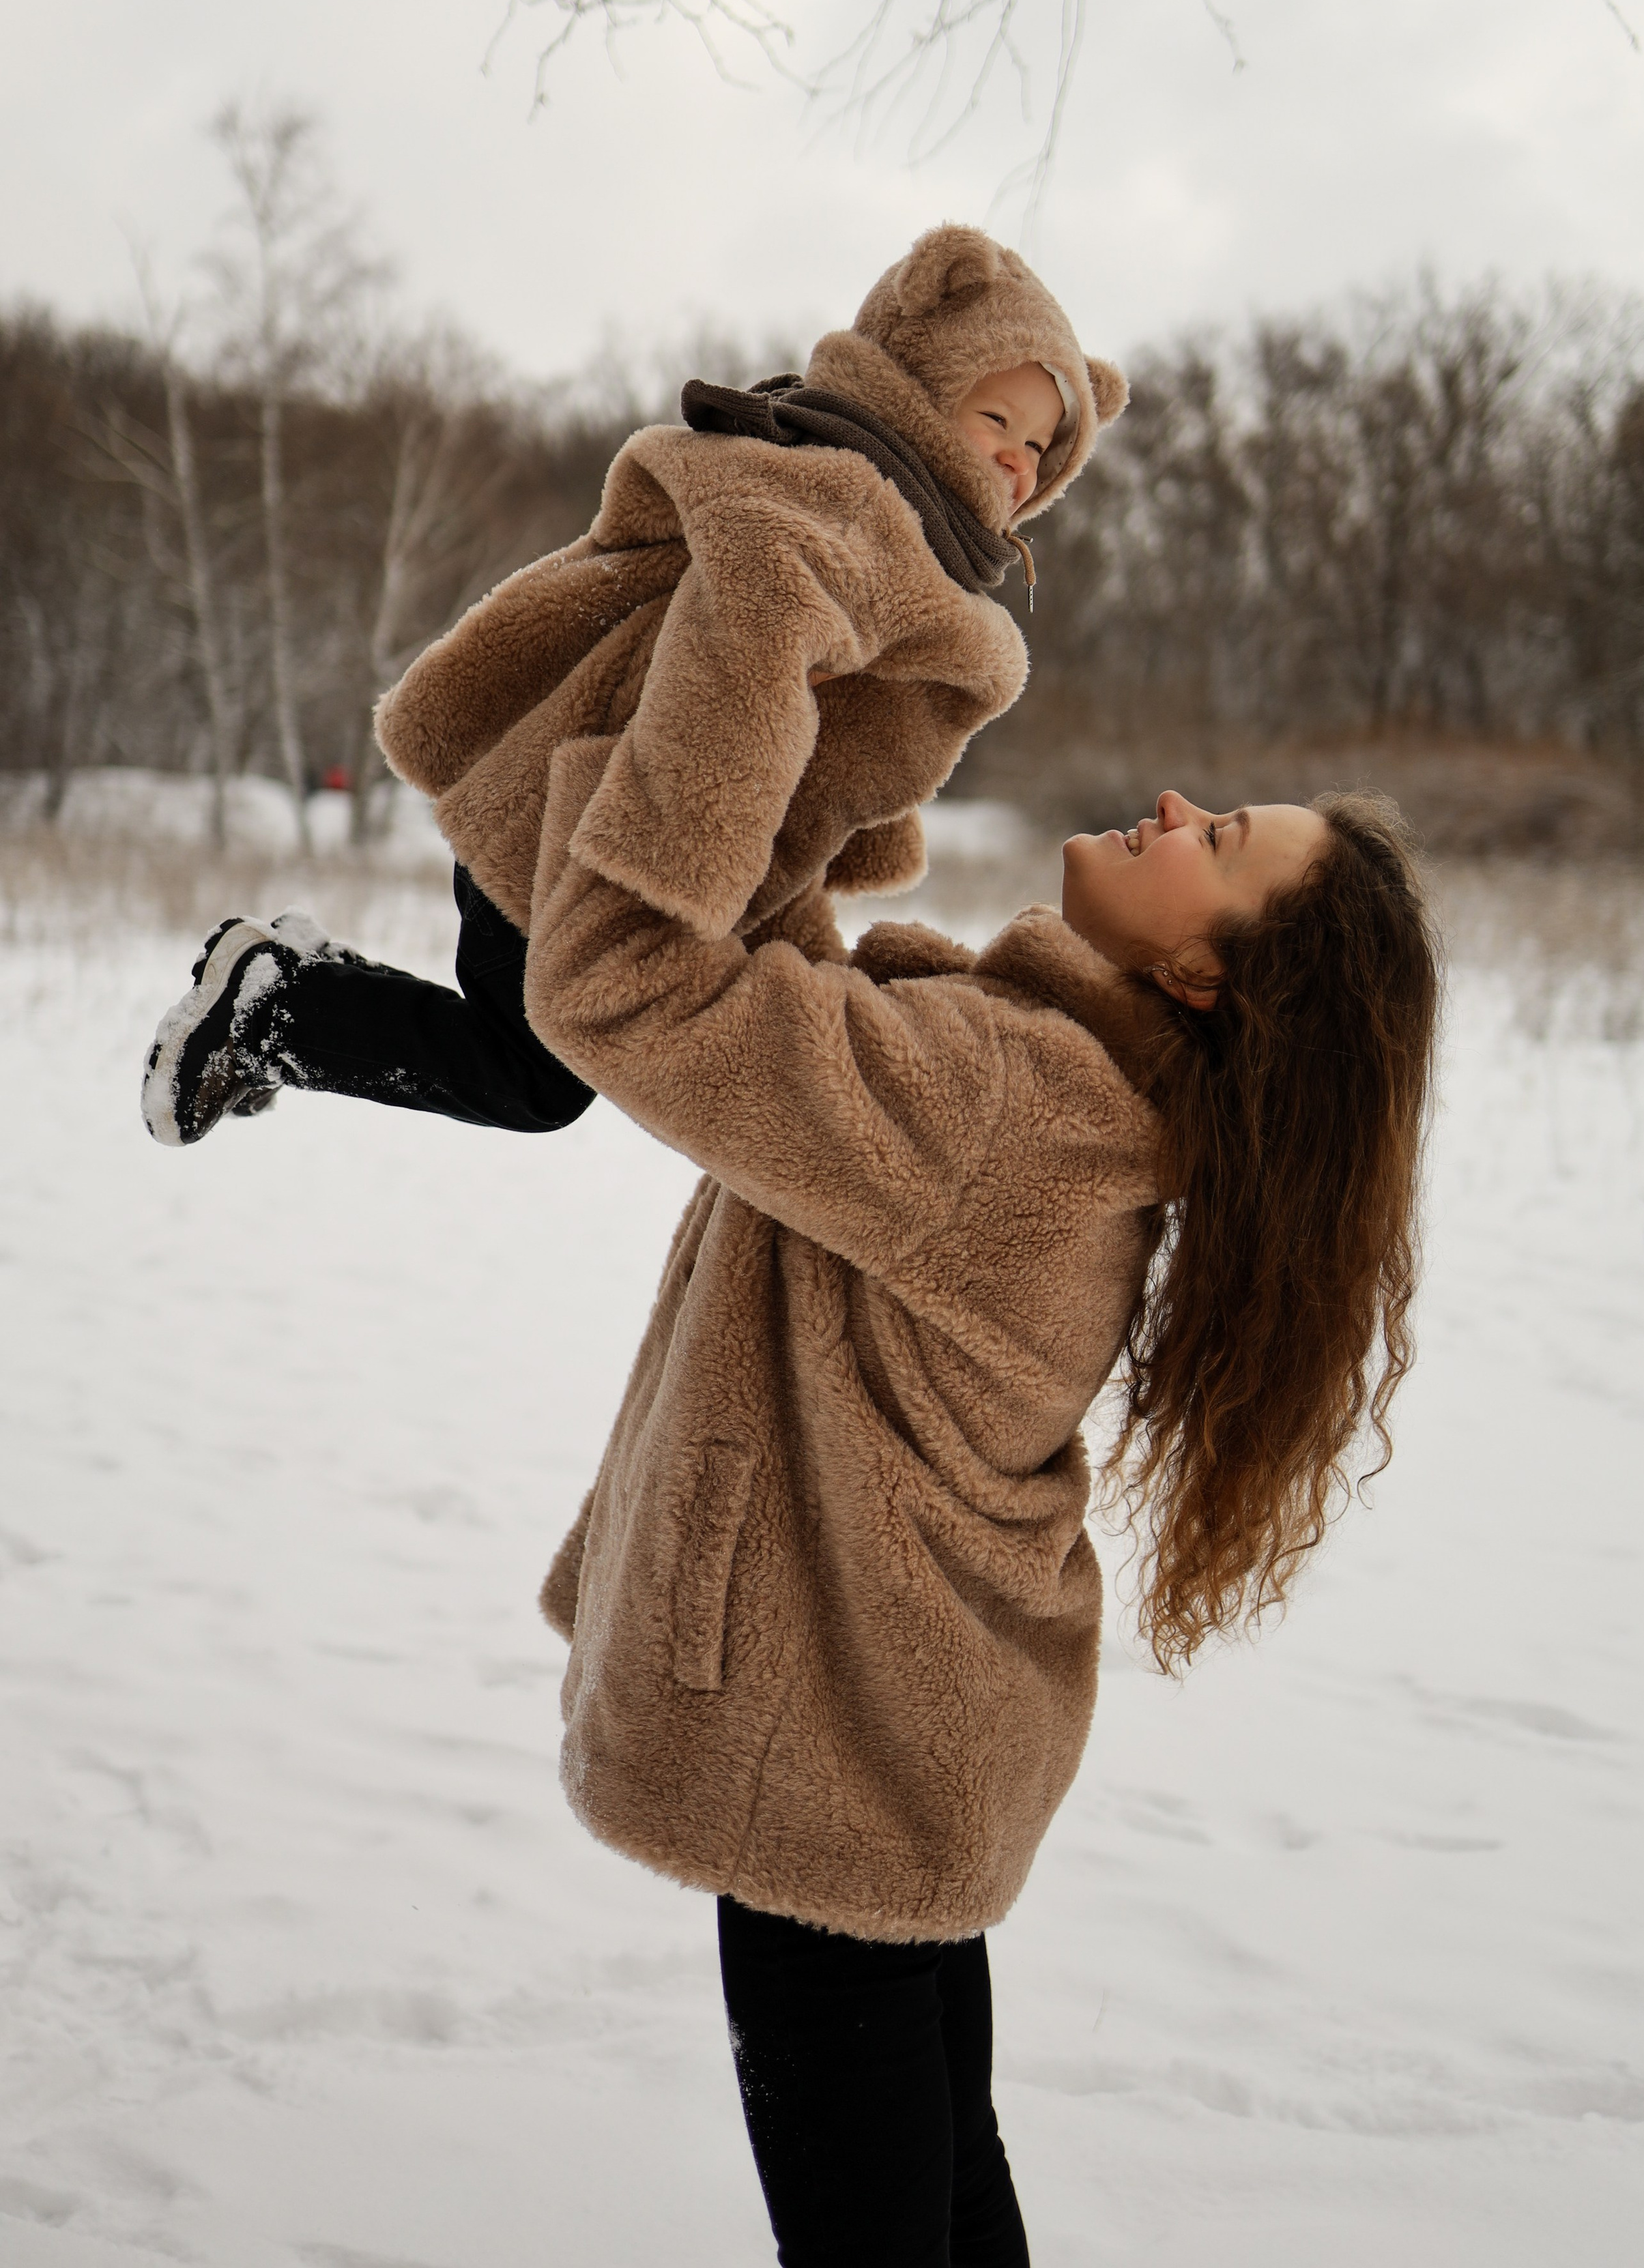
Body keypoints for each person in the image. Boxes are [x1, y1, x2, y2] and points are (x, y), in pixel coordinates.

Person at [142, 760, 1439, 2265]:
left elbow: (641, 1001)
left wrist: (727, 702)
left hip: (833, 1757)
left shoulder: (1003, 1107)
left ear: (1202, 972)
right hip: (913, 1747)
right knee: (948, 2187)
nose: (1171, 806)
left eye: (1217, 840)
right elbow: (799, 1007)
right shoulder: (1066, 1095)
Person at [143, 227, 1125, 1146]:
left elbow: (818, 752)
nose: (1016, 458)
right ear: (914, 386)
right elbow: (739, 672)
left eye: (1041, 446)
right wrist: (671, 888)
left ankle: (304, 988)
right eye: (996, 418)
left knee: (537, 1064)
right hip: (581, 830)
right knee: (537, 1080)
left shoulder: (887, 531)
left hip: (586, 812)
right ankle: (272, 1008)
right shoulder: (837, 508)